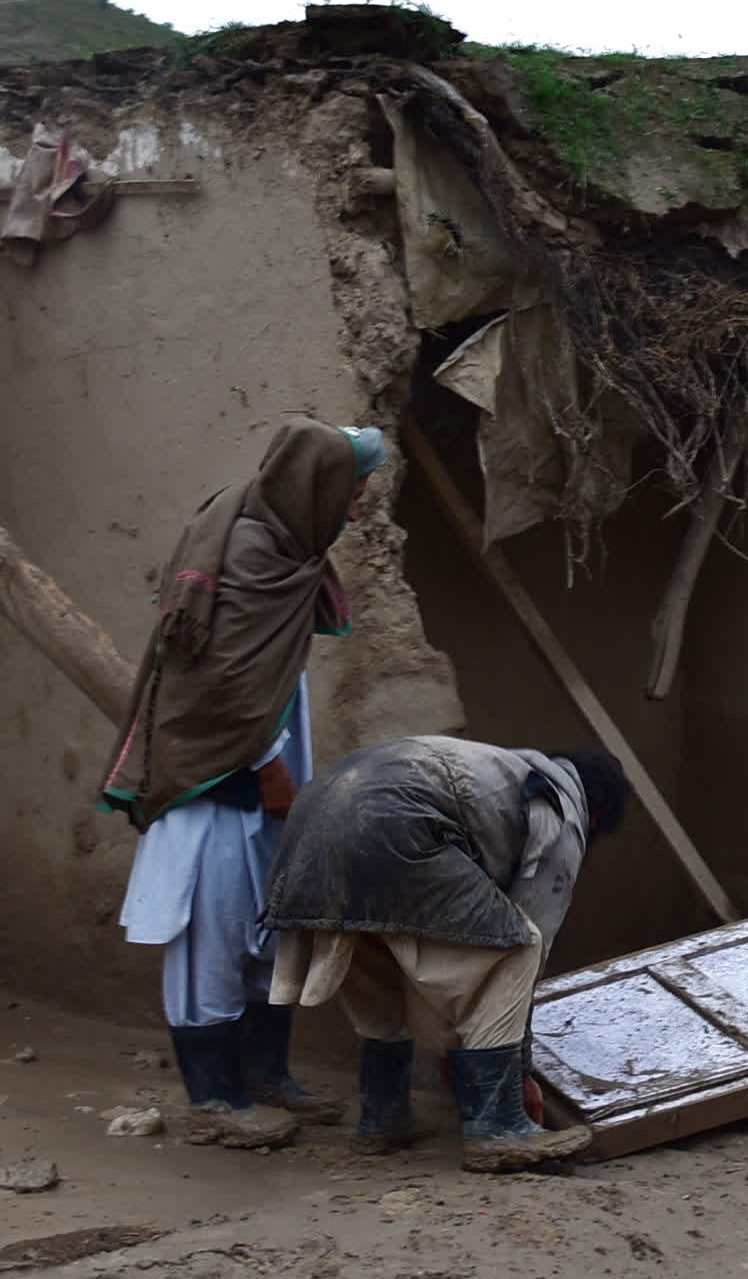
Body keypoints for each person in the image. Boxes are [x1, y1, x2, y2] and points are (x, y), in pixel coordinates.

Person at [101, 417, 387, 1147]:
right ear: (315, 487)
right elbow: (220, 681)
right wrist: (266, 771)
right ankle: (214, 1101)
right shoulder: (249, 549)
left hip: (269, 769)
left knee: (270, 933)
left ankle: (266, 1075)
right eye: (353, 490)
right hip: (215, 782)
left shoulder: (289, 546)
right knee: (209, 938)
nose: (358, 507)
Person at [263, 736, 632, 1173]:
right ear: (595, 818)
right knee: (519, 947)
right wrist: (519, 1077)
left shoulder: (504, 770)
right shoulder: (564, 816)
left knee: (381, 956)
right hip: (388, 827)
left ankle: (384, 1119)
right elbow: (525, 942)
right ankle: (498, 1129)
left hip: (309, 828)